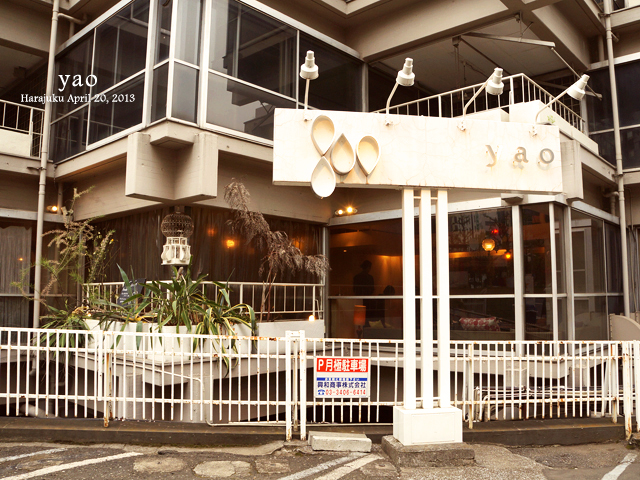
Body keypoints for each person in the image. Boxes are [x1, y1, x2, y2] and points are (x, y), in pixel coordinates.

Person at [353, 260, 375, 326]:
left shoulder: (357, 277)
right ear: (368, 267)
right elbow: (372, 289)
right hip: (367, 301)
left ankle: (360, 327)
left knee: (359, 318)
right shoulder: (370, 278)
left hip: (358, 300)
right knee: (367, 317)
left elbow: (354, 289)